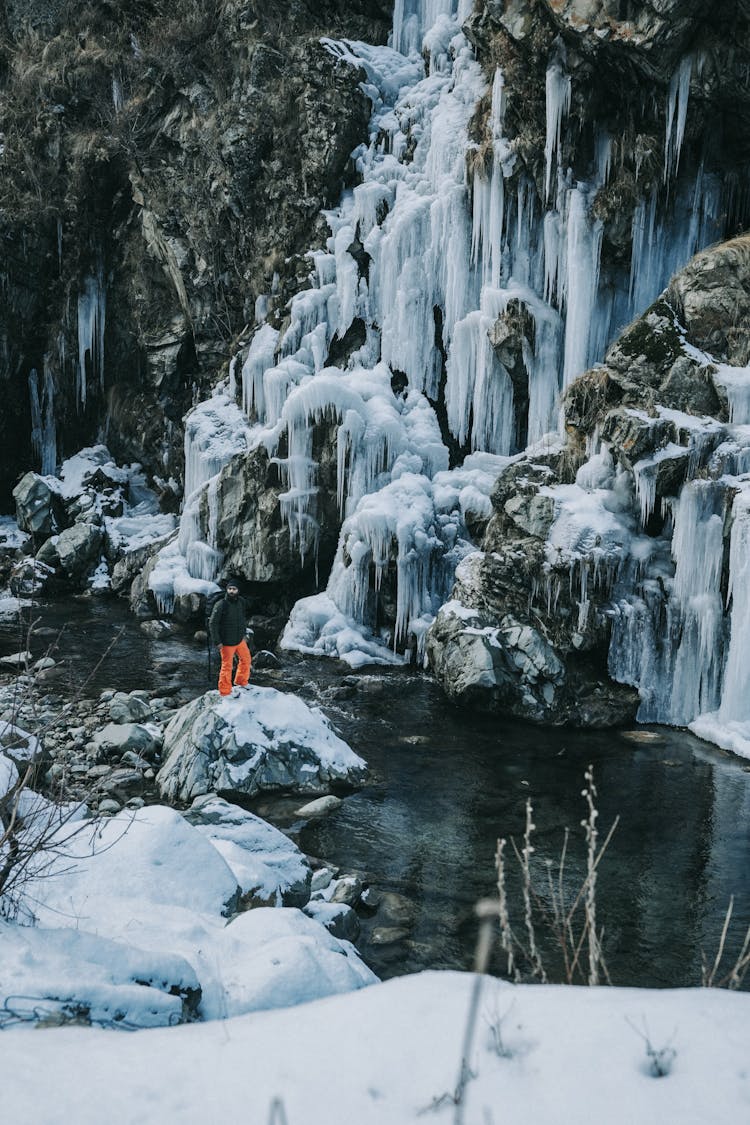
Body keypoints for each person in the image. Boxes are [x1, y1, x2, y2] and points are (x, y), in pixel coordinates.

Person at [209, 577, 252, 696]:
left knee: (246, 659)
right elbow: (212, 623)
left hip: (239, 639)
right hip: (226, 642)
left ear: (238, 591)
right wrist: (217, 641)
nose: (232, 591)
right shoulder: (221, 604)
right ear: (227, 590)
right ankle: (225, 691)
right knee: (227, 667)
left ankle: (241, 681)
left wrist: (244, 634)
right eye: (230, 589)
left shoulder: (241, 602)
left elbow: (242, 619)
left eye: (234, 589)